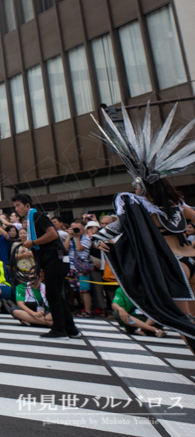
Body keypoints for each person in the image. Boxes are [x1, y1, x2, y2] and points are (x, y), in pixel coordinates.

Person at [92, 104, 195, 351]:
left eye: (135, 185)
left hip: (174, 265)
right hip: (191, 257)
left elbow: (112, 229)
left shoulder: (139, 209)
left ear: (142, 186)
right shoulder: (178, 205)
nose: (133, 190)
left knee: (185, 323)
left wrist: (99, 239)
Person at [16, 193, 78, 339]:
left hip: (54, 259)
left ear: (27, 205)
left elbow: (53, 234)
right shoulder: (33, 218)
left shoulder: (37, 216)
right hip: (52, 259)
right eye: (15, 206)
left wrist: (34, 243)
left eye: (18, 205)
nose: (16, 209)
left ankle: (59, 329)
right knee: (56, 294)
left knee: (53, 294)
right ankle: (70, 329)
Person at [64, 219, 94, 318]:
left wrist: (77, 237)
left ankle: (88, 311)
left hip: (82, 268)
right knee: (78, 289)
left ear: (82, 229)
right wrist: (69, 236)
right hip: (72, 267)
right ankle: (84, 309)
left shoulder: (86, 238)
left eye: (78, 228)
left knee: (84, 290)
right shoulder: (71, 237)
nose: (76, 230)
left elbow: (79, 248)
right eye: (73, 228)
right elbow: (65, 248)